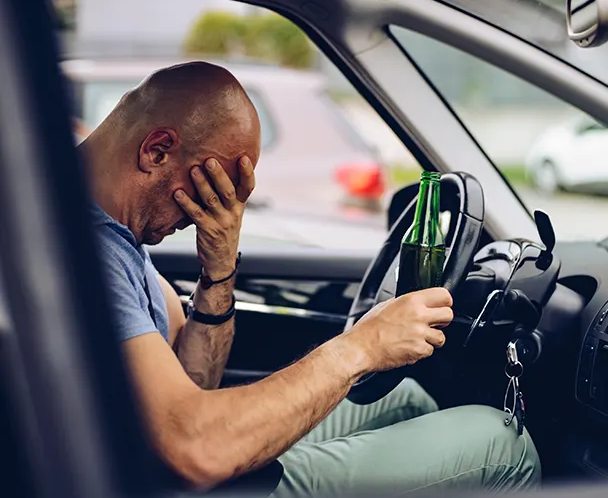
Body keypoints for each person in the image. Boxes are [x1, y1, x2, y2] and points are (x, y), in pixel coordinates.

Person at [80, 61, 540, 496]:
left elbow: (196, 383)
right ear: (156, 151)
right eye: (215, 189)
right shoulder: (87, 253)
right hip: (179, 483)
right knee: (504, 446)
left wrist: (219, 271)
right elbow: (196, 448)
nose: (215, 211)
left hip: (174, 464)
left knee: (408, 398)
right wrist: (362, 346)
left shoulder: (120, 240)